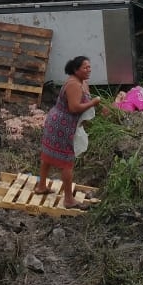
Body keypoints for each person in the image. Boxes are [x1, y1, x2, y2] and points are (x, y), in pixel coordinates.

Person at [34, 55, 101, 209]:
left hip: (61, 122)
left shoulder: (82, 82)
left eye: (89, 67)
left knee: (48, 155)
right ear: (76, 70)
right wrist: (94, 103)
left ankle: (41, 186)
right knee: (66, 162)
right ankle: (68, 200)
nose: (89, 70)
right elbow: (74, 108)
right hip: (62, 125)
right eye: (85, 67)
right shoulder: (73, 85)